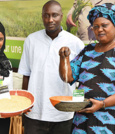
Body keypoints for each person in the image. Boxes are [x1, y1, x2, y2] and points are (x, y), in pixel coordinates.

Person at [18, 1, 84, 134]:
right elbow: (26, 74)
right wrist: (25, 103)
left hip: (63, 113)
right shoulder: (31, 40)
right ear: (42, 16)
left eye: (55, 15)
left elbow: (81, 79)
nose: (50, 20)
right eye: (46, 15)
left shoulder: (75, 43)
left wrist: (77, 105)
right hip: (35, 112)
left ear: (61, 16)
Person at [59, 3, 115, 133]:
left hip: (108, 121)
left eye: (104, 25)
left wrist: (102, 104)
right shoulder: (88, 50)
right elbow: (68, 77)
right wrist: (64, 58)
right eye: (95, 27)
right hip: (82, 119)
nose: (99, 29)